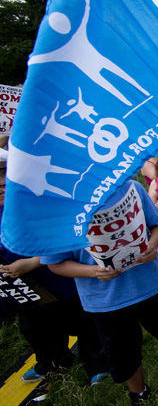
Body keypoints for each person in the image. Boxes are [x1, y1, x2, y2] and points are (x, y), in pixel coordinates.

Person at [41, 180, 158, 405]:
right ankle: (139, 393)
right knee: (122, 349)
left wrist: (152, 245)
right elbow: (55, 263)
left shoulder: (131, 188)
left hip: (150, 282)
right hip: (105, 299)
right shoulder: (57, 212)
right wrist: (93, 271)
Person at [0, 163, 109, 386]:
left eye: (3, 183)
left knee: (83, 323)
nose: (1, 188)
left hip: (59, 279)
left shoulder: (35, 203)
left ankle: (97, 365)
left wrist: (31, 263)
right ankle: (51, 362)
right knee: (35, 327)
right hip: (23, 288)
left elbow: (66, 238)